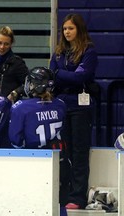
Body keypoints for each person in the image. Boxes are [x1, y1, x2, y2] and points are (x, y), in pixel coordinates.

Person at [49, 13, 98, 209]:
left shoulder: (89, 51)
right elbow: (52, 78)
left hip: (81, 106)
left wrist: (59, 74)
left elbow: (81, 77)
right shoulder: (59, 52)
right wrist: (64, 76)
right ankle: (64, 192)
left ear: (79, 29)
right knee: (64, 150)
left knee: (79, 151)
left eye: (71, 28)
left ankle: (78, 197)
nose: (67, 32)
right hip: (61, 105)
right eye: (65, 29)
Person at [9, 67, 69, 212]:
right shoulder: (60, 104)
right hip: (59, 160)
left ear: (35, 85)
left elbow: (15, 140)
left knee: (31, 204)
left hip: (33, 162)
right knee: (58, 202)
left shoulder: (20, 108)